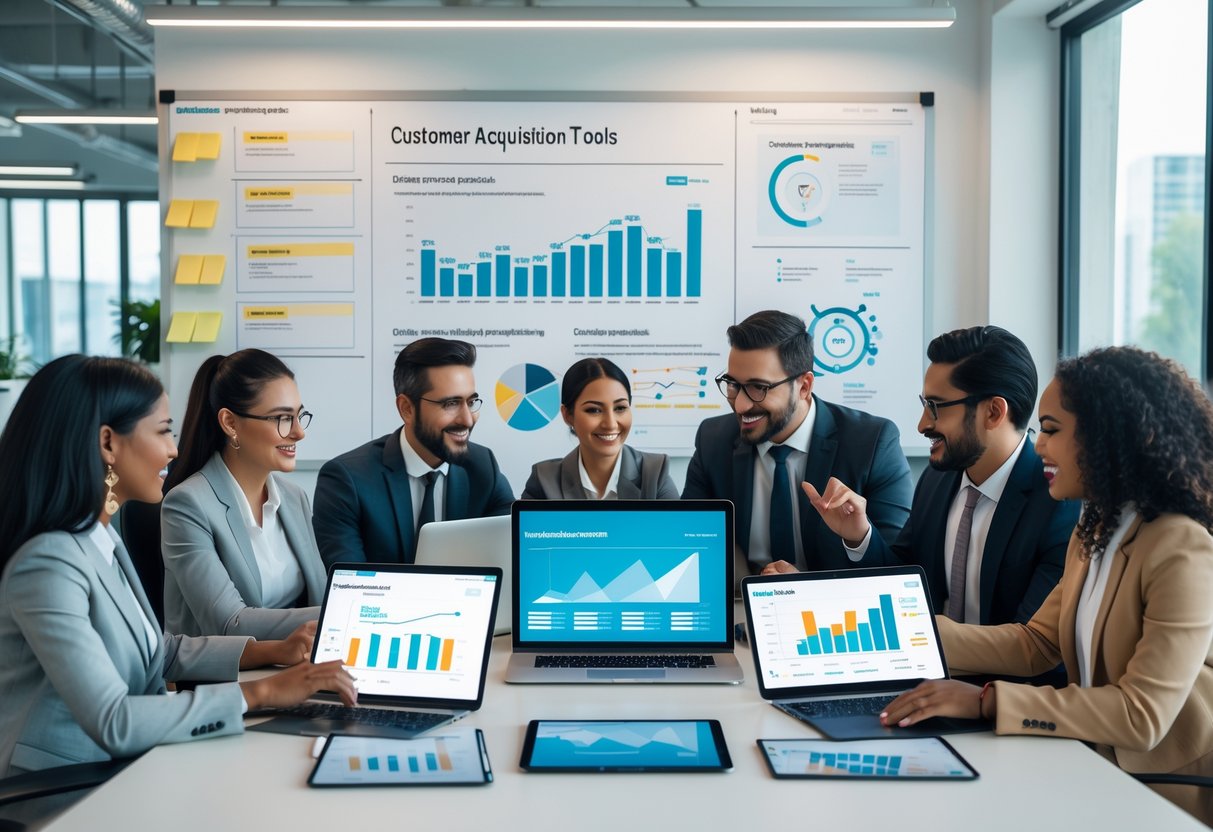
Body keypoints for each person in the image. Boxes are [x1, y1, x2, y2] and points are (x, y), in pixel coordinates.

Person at [881, 346, 1213, 824]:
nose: (1037, 446)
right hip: (1091, 763)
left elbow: (1141, 715)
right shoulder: (1096, 527)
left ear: (1108, 439)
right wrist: (905, 635)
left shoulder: (1180, 545)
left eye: (1053, 431)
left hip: (1164, 788)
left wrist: (985, 700)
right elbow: (1036, 643)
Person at [0, 356, 355, 785]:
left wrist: (273, 652)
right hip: (63, 784)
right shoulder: (47, 564)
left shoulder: (101, 538)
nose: (174, 448)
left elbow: (160, 651)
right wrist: (262, 692)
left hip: (132, 764)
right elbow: (114, 719)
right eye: (164, 430)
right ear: (108, 443)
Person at [766, 326, 1080, 627]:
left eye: (936, 407)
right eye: (924, 404)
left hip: (999, 681)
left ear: (994, 412)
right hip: (926, 670)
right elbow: (903, 584)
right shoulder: (937, 479)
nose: (922, 424)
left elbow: (1034, 645)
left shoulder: (1059, 501)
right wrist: (859, 536)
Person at [682, 309, 913, 575]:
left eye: (759, 388)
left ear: (804, 386)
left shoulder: (873, 443)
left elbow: (900, 572)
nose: (741, 405)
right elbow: (689, 546)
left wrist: (857, 540)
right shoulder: (714, 439)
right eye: (733, 384)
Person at [161, 350, 326, 640]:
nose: (299, 433)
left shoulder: (294, 498)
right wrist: (340, 612)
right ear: (230, 423)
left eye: (299, 416)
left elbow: (319, 594)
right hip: (226, 677)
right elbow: (228, 624)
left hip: (294, 664)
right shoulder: (187, 505)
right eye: (282, 418)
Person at [314, 338, 513, 567]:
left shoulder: (483, 466)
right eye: (450, 404)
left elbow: (510, 556)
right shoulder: (347, 480)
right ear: (407, 409)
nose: (467, 419)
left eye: (471, 401)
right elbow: (349, 585)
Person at [521, 357, 678, 500]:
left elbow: (674, 531)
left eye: (620, 408)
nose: (610, 424)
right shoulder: (544, 481)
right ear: (568, 415)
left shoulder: (655, 474)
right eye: (594, 410)